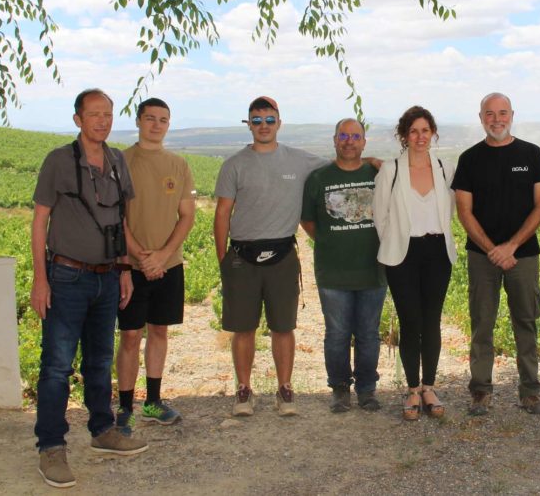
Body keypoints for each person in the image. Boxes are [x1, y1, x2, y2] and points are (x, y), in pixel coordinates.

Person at [30, 89, 147, 488]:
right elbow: (39, 221)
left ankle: (103, 431)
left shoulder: (116, 161)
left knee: (99, 361)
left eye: (108, 114)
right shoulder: (58, 161)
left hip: (108, 276)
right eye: (94, 114)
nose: (102, 121)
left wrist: (127, 269)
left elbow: (122, 221)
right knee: (57, 366)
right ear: (78, 118)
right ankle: (51, 447)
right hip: (66, 276)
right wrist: (39, 278)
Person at [214, 96, 327, 417]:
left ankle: (285, 389)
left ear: (279, 122)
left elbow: (338, 165)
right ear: (248, 124)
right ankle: (244, 390)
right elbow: (222, 214)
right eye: (257, 120)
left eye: (269, 120)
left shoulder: (299, 160)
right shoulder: (234, 164)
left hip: (282, 255)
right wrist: (223, 259)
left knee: (283, 327)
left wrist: (372, 162)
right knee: (243, 328)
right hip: (242, 256)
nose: (263, 126)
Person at [452, 93, 540, 416]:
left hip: (523, 255)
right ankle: (480, 390)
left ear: (512, 115)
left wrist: (510, 247)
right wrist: (492, 249)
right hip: (482, 257)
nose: (497, 119)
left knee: (526, 320)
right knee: (482, 323)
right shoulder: (469, 159)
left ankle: (530, 390)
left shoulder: (532, 154)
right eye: (490, 114)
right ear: (481, 118)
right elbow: (464, 212)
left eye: (503, 113)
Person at [116, 98, 196, 429]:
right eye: (150, 118)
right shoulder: (120, 162)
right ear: (138, 121)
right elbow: (115, 218)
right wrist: (140, 257)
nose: (156, 125)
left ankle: (153, 402)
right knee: (131, 336)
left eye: (163, 119)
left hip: (168, 265)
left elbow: (187, 216)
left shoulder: (178, 164)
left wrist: (162, 256)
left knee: (159, 331)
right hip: (130, 269)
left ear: (169, 123)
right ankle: (124, 408)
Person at [373, 105, 457, 421]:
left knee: (432, 320)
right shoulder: (391, 171)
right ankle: (411, 389)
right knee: (410, 321)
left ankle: (429, 387)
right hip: (403, 254)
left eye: (425, 130)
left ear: (432, 133)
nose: (420, 137)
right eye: (413, 131)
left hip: (437, 251)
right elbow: (379, 217)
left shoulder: (446, 168)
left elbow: (449, 212)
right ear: (404, 136)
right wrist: (396, 244)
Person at [301, 118, 387, 413]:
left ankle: (366, 389)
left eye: (355, 136)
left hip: (373, 269)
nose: (349, 141)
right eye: (343, 135)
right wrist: (329, 241)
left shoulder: (379, 174)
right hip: (333, 272)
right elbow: (308, 220)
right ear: (334, 139)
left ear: (364, 141)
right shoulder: (318, 178)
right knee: (336, 334)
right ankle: (339, 388)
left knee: (368, 333)